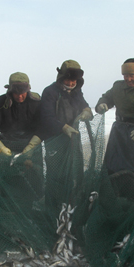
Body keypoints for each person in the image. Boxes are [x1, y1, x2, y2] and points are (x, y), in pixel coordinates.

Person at [95, 58, 134, 189]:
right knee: (113, 164)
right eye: (126, 76)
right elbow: (107, 97)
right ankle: (114, 192)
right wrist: (102, 104)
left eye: (132, 76)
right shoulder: (117, 87)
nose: (128, 79)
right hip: (119, 130)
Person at [39, 60, 92, 214]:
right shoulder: (50, 92)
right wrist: (63, 127)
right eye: (68, 80)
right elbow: (46, 117)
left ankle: (71, 207)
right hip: (54, 140)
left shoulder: (76, 91)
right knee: (55, 176)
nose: (70, 83)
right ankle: (53, 209)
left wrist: (87, 110)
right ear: (61, 78)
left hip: (73, 138)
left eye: (74, 80)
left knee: (74, 172)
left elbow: (83, 104)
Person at [0, 72, 43, 204]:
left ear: (28, 90)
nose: (20, 96)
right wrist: (0, 147)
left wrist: (31, 147)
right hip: (7, 148)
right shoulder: (0, 102)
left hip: (32, 147)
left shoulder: (36, 101)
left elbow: (44, 126)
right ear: (10, 91)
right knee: (8, 184)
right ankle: (8, 210)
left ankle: (34, 208)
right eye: (16, 93)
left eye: (23, 92)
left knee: (33, 182)